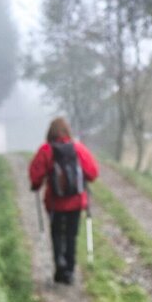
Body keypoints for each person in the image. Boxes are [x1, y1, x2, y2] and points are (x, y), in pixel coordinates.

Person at [29, 116, 99, 284]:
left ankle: (59, 267)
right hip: (76, 202)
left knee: (57, 234)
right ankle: (70, 270)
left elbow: (35, 174)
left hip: (55, 203)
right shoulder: (78, 149)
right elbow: (93, 173)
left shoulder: (46, 150)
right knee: (71, 235)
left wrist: (36, 185)